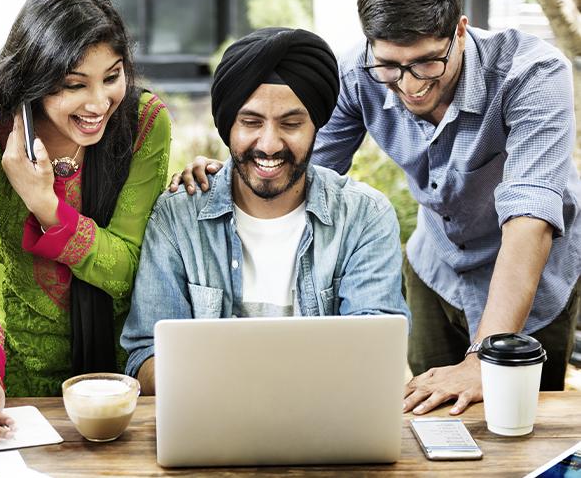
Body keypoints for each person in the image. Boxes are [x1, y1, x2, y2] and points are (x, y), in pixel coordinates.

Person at [171, 0, 580, 415]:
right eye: (390, 65)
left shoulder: (531, 74)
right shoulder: (357, 74)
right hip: (436, 267)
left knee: (514, 424)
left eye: (426, 63)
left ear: (460, 31)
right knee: (432, 415)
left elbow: (529, 216)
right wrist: (230, 175)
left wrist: (485, 358)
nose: (409, 84)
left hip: (531, 278)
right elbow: (305, 172)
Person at [0, 0, 171, 440]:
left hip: (120, 389)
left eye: (112, 76)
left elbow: (130, 269)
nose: (99, 103)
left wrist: (47, 208)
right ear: (34, 79)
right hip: (12, 390)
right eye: (73, 85)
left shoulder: (143, 124)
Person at [121, 27, 410, 395]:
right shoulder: (177, 219)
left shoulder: (364, 217)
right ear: (227, 126)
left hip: (329, 438)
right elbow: (145, 357)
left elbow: (378, 356)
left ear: (316, 125)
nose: (270, 144)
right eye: (251, 122)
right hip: (213, 433)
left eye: (291, 124)